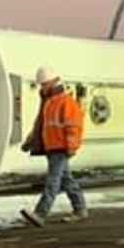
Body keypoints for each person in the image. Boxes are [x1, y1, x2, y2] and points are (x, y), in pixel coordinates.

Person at [20, 66, 87, 227]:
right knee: (67, 180)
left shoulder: (65, 102)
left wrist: (71, 146)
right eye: (41, 85)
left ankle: (40, 214)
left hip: (61, 148)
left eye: (44, 84)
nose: (42, 88)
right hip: (53, 148)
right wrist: (30, 141)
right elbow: (41, 125)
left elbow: (74, 126)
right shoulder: (49, 103)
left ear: (54, 82)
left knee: (53, 182)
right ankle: (80, 209)